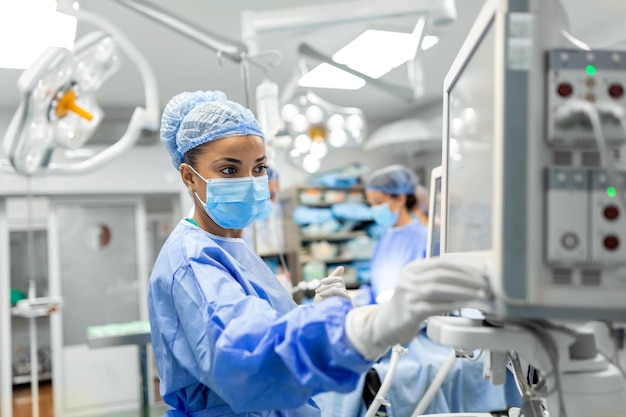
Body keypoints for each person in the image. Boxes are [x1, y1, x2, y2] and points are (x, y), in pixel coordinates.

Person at [148, 90, 491, 417]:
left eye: (259, 168)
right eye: (229, 169)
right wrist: (359, 328)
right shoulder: (192, 259)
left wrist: (320, 312)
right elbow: (247, 355)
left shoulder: (231, 247)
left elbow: (262, 322)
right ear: (189, 178)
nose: (251, 181)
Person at [365, 164, 429, 303]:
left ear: (400, 198)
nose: (374, 209)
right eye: (371, 204)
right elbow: (377, 285)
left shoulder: (424, 237)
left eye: (378, 202)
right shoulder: (384, 238)